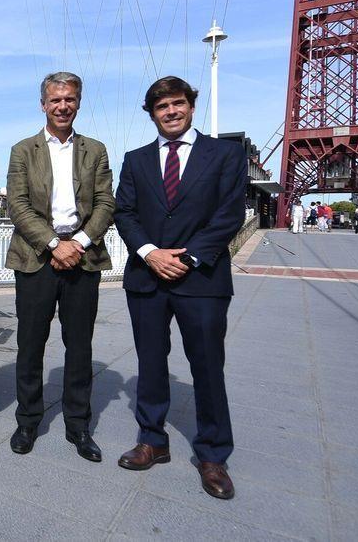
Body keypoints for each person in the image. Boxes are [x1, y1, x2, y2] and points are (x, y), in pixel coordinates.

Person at [113, 75, 247, 500]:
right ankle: (152, 440)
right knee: (150, 363)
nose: (170, 112)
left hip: (202, 280)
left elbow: (229, 214)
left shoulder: (225, 153)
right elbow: (125, 212)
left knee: (207, 367)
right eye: (161, 107)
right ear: (151, 114)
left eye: (177, 103)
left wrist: (187, 256)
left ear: (191, 105)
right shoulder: (135, 160)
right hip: (147, 278)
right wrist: (151, 253)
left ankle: (212, 454)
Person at [4, 72, 115, 461]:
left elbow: (105, 202)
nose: (62, 106)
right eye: (55, 100)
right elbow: (16, 204)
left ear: (78, 103)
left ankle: (78, 425)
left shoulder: (95, 150)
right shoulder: (23, 150)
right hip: (36, 259)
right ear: (43, 104)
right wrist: (53, 243)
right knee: (30, 346)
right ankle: (28, 421)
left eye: (69, 99)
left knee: (79, 346)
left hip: (83, 259)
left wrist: (78, 243)